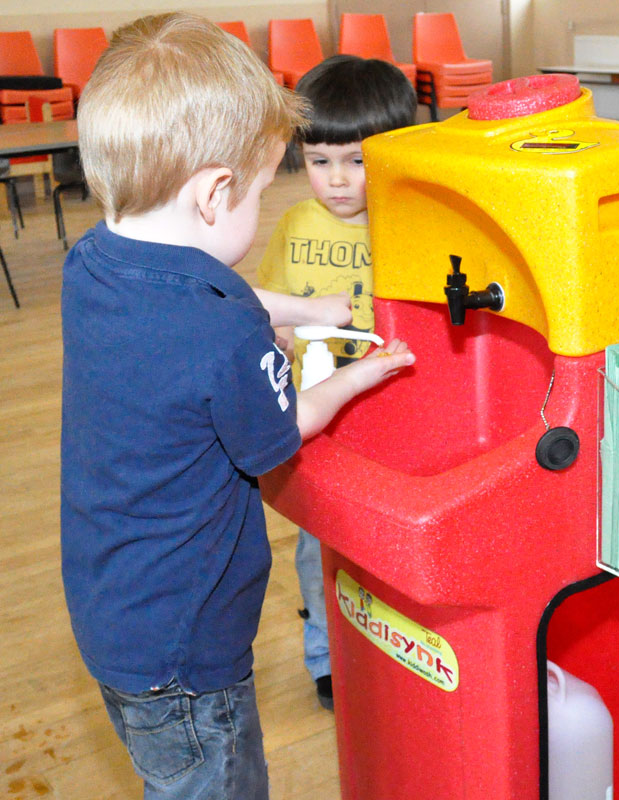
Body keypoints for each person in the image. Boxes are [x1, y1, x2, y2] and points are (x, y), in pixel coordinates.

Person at [59, 14, 415, 799]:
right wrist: (362, 374)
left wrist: (305, 309)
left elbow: (212, 288)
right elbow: (282, 433)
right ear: (215, 193)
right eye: (258, 191)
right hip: (190, 650)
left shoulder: (95, 262)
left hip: (112, 605)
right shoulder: (224, 333)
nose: (260, 207)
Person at [256, 53, 416, 711]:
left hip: (390, 417)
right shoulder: (296, 226)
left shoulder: (408, 227)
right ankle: (325, 655)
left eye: (356, 161)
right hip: (317, 419)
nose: (339, 180)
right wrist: (280, 333)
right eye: (321, 162)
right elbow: (268, 306)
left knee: (386, 541)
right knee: (317, 545)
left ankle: (388, 643)